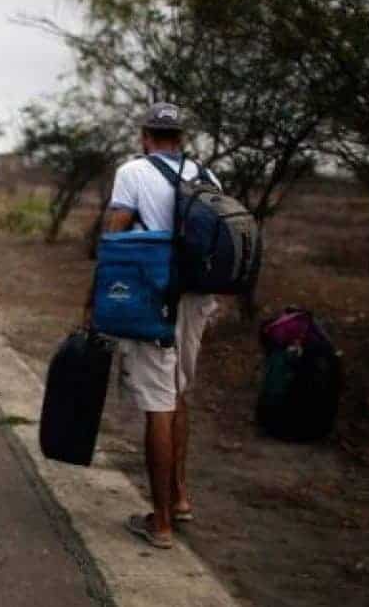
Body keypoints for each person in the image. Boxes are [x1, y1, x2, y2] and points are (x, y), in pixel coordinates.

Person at [96, 102, 219, 550]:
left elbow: (116, 240)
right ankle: (181, 497)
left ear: (146, 136)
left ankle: (161, 521)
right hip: (199, 299)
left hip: (156, 299)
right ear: (181, 139)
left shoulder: (132, 172)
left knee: (158, 405)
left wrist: (98, 302)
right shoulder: (206, 176)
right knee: (177, 391)